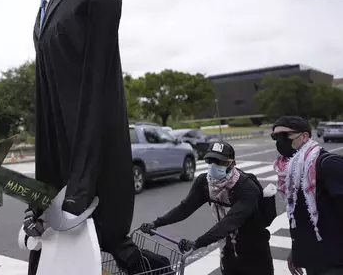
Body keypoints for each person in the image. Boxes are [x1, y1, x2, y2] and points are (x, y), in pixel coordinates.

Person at [19, 0, 134, 274]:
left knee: (108, 254)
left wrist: (80, 191)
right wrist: (40, 199)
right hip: (58, 178)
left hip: (91, 182)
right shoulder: (42, 16)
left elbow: (95, 103)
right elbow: (47, 117)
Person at [140, 141, 274, 275]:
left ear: (232, 163)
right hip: (228, 248)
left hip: (255, 249)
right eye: (211, 160)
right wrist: (156, 223)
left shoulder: (246, 187)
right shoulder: (205, 182)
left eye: (220, 162)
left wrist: (197, 243)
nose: (214, 166)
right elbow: (185, 208)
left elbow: (229, 223)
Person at [271, 116, 343, 275]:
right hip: (314, 259)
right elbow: (301, 217)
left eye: (285, 136)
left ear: (304, 136)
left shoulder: (327, 164)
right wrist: (297, 252)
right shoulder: (290, 171)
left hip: (335, 261)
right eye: (275, 137)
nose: (279, 142)